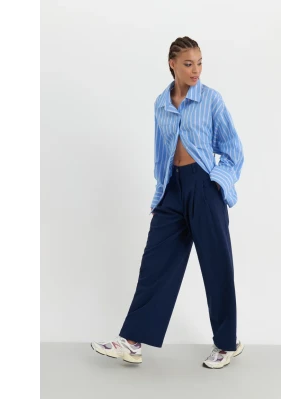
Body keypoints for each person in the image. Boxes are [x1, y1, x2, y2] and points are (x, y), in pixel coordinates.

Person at [91, 36, 245, 369]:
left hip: (204, 186)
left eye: (199, 63)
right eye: (188, 64)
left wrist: (218, 180)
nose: (196, 70)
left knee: (216, 266)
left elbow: (233, 150)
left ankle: (226, 343)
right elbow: (161, 154)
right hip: (172, 189)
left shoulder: (211, 100)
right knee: (155, 264)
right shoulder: (161, 103)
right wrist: (161, 192)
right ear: (172, 64)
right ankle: (132, 341)